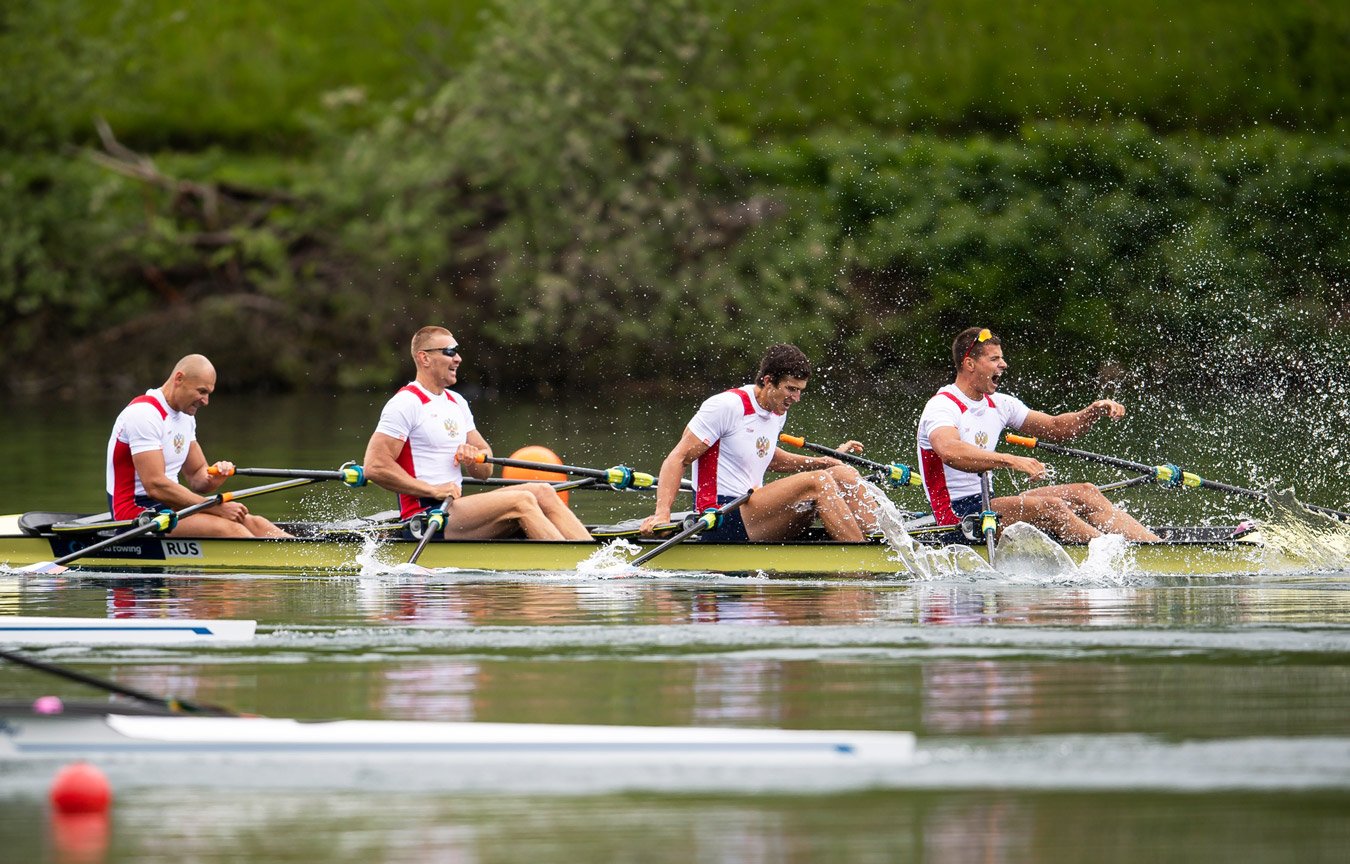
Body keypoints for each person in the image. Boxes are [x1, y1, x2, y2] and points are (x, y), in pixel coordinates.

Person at [916, 327, 1158, 543]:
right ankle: (1114, 560)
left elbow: (1056, 427)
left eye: (1002, 357)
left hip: (989, 504)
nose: (1003, 364)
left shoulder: (999, 404)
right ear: (970, 364)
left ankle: (1154, 549)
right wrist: (1012, 460)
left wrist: (1091, 412)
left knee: (1086, 492)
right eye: (994, 359)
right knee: (1053, 508)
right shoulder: (943, 406)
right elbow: (949, 452)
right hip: (956, 516)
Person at [362, 326, 592, 541]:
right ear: (424, 358)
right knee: (523, 500)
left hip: (456, 510)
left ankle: (594, 559)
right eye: (449, 352)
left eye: (457, 352)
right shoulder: (406, 403)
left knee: (542, 491)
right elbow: (375, 466)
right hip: (426, 516)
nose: (458, 358)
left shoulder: (457, 402)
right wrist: (433, 490)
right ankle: (571, 564)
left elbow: (484, 470)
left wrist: (473, 459)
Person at [640, 343, 879, 542]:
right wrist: (662, 514)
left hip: (755, 512)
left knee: (842, 473)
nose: (795, 398)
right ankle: (863, 561)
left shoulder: (777, 410)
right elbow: (678, 458)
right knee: (818, 482)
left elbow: (768, 456)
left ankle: (882, 543)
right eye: (790, 389)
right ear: (768, 381)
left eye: (800, 391)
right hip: (721, 516)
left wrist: (824, 462)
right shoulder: (725, 406)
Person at [105, 354, 291, 537]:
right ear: (179, 379)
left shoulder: (186, 417)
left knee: (254, 522)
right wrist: (215, 507)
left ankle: (301, 559)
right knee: (230, 529)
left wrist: (216, 476)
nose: (206, 401)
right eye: (201, 391)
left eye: (209, 394)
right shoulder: (144, 414)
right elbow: (155, 486)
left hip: (170, 504)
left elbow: (196, 476)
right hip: (135, 512)